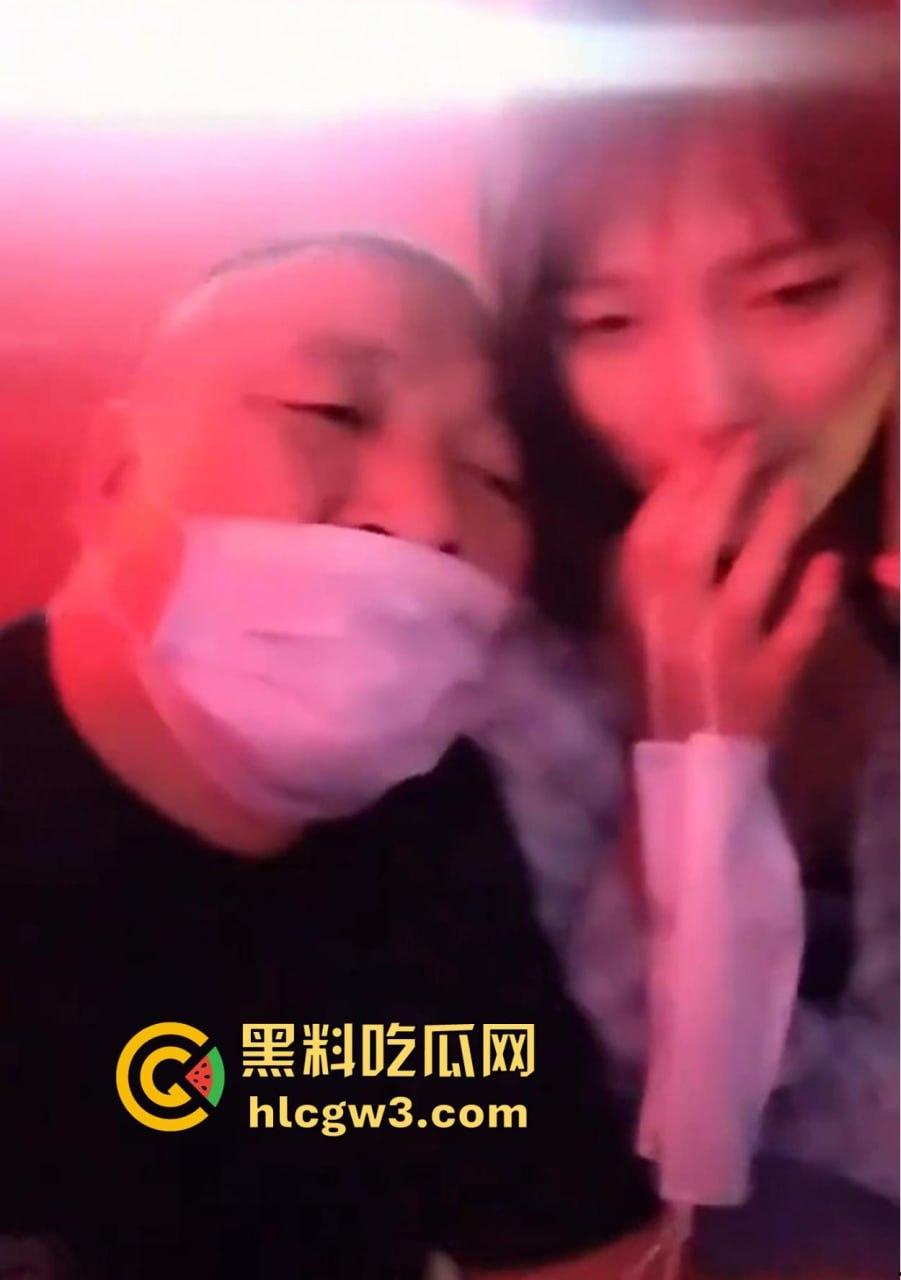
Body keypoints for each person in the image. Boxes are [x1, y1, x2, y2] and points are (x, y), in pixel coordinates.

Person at [0, 234, 662, 1278]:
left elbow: (570, 1245)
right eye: (333, 412)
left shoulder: (441, 823)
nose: (429, 515)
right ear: (113, 474)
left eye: (494, 476)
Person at [482, 0, 898, 1273]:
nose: (707, 402)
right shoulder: (495, 672)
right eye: (606, 322)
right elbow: (625, 1131)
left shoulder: (869, 616)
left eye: (795, 291)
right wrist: (693, 766)